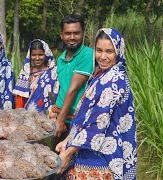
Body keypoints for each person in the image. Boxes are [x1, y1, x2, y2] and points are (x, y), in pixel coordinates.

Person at [55, 28, 137, 179]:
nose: (103, 56)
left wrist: (67, 153)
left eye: (109, 51)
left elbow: (97, 123)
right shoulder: (100, 73)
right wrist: (67, 140)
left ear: (118, 52)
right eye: (99, 50)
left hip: (105, 156)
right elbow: (84, 116)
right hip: (90, 147)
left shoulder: (115, 80)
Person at [49, 14, 94, 146]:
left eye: (76, 33)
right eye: (68, 33)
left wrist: (60, 121)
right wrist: (55, 113)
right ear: (61, 35)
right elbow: (63, 89)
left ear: (83, 34)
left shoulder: (87, 55)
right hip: (61, 117)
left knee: (71, 161)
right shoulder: (61, 59)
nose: (72, 37)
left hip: (78, 121)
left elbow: (73, 90)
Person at [13, 39, 59, 113]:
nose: (37, 58)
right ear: (30, 55)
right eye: (34, 55)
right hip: (28, 117)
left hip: (49, 115)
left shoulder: (53, 73)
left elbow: (57, 94)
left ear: (46, 54)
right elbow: (20, 96)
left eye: (40, 55)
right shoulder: (26, 73)